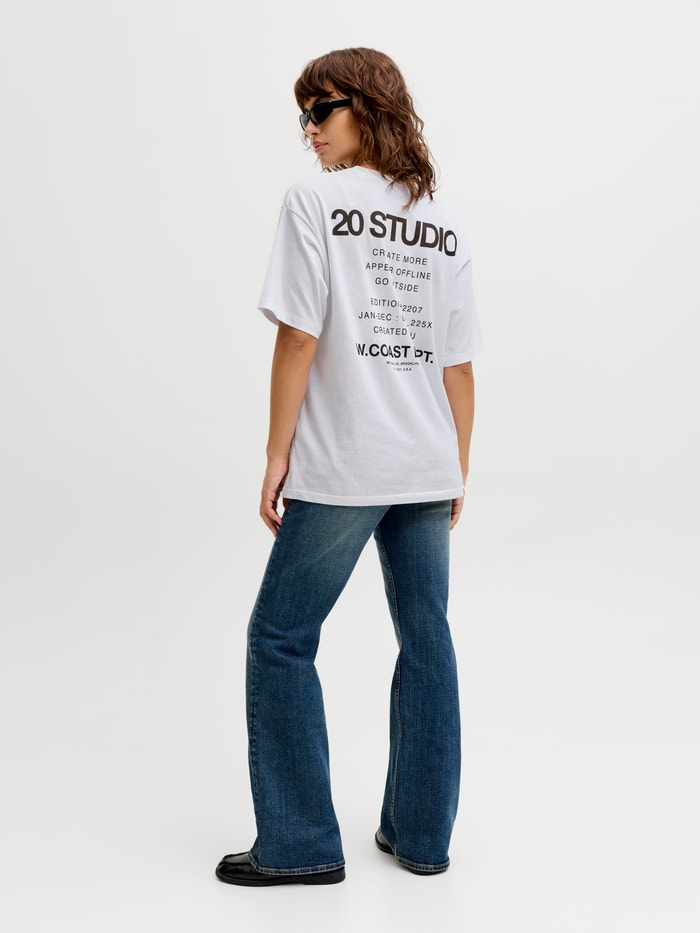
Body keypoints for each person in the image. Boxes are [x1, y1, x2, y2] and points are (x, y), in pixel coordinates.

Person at [215, 47, 484, 887]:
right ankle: (421, 837)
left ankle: (299, 842)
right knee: (427, 638)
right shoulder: (441, 222)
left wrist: (276, 452)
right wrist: (455, 468)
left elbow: (299, 334)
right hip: (425, 461)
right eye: (302, 116)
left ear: (367, 106)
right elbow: (458, 368)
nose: (308, 130)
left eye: (321, 110)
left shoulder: (316, 202)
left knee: (281, 638)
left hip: (347, 462)